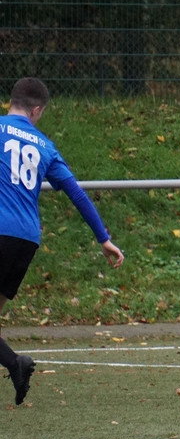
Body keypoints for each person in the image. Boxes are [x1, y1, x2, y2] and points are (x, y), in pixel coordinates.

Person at [1, 77, 125, 405]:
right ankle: (14, 365)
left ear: (11, 101)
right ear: (36, 110)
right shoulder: (45, 146)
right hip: (26, 238)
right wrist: (103, 238)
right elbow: (77, 194)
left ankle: (15, 363)